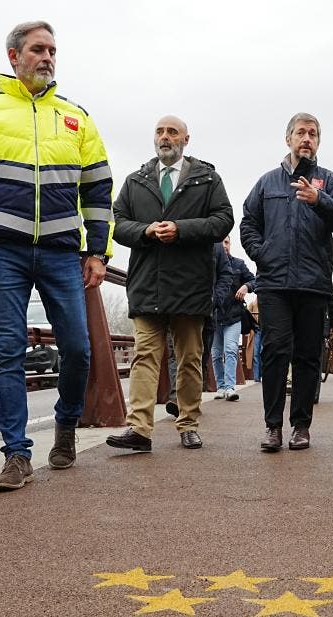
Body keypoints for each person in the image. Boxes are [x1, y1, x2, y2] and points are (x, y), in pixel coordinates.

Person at [0, 21, 112, 492]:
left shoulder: (76, 117)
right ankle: (16, 453)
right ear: (14, 56)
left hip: (60, 252)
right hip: (5, 251)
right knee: (9, 351)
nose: (47, 57)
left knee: (77, 349)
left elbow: (97, 190)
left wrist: (98, 250)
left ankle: (66, 424)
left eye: (53, 50)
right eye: (38, 49)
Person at [106, 115, 234, 451]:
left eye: (172, 132)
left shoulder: (207, 179)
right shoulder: (137, 180)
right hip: (148, 281)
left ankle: (188, 423)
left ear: (186, 140)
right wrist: (145, 231)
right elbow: (117, 223)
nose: (165, 137)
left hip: (190, 283)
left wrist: (181, 229)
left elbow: (223, 220)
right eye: (160, 132)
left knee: (190, 357)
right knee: (144, 355)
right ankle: (140, 429)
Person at [241, 112, 333, 451]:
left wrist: (319, 200)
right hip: (274, 283)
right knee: (276, 351)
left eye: (313, 134)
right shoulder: (267, 182)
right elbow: (248, 222)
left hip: (313, 283)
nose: (307, 139)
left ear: (318, 142)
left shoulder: (328, 180)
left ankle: (301, 426)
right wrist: (262, 254)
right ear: (288, 139)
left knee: (308, 355)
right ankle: (272, 427)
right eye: (301, 133)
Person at [211, 236, 255, 401]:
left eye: (227, 242)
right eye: (220, 242)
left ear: (231, 244)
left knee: (230, 350)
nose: (224, 245)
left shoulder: (238, 264)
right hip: (214, 316)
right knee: (215, 354)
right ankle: (220, 386)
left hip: (234, 316)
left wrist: (246, 286)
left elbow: (254, 280)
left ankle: (230, 387)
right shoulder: (210, 263)